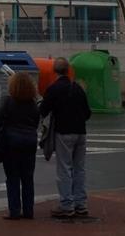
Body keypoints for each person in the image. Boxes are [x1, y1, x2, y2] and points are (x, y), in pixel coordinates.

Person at [39, 57, 92, 218]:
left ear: (54, 71)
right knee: (79, 169)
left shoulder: (53, 89)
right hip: (81, 132)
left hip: (63, 132)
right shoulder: (77, 88)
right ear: (68, 70)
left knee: (64, 169)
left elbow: (43, 110)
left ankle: (66, 205)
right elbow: (87, 113)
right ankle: (81, 204)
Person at [0, 73, 40, 220]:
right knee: (28, 177)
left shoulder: (8, 101)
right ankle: (28, 211)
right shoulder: (33, 103)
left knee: (12, 177)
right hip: (30, 142)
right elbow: (36, 122)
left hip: (11, 142)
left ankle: (14, 211)